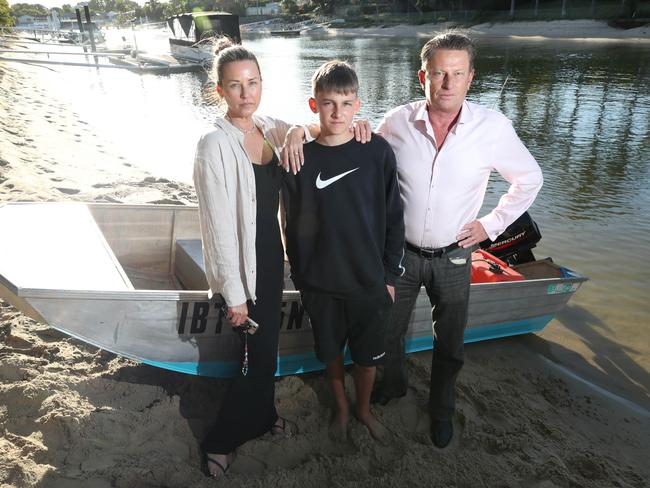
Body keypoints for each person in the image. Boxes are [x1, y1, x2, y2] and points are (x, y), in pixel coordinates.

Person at [193, 40, 370, 478]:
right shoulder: (214, 144)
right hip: (243, 270)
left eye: (252, 83)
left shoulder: (268, 127)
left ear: (261, 84)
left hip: (272, 259)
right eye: (235, 86)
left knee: (267, 353)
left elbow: (312, 129)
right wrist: (232, 295)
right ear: (220, 91)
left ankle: (263, 416)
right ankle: (222, 439)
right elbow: (215, 227)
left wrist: (299, 132)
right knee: (254, 355)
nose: (245, 93)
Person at [372, 32, 543, 449]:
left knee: (449, 340)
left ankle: (442, 409)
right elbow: (366, 171)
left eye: (457, 73)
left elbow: (529, 179)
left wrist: (491, 225)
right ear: (422, 77)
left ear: (470, 78)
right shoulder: (395, 123)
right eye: (438, 74)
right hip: (401, 256)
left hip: (455, 255)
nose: (447, 83)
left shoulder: (492, 127)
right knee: (386, 333)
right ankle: (393, 387)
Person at [282, 60, 405, 440]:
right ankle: (341, 408)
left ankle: (364, 409)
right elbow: (290, 225)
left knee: (367, 359)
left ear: (358, 104)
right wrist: (303, 279)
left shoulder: (377, 151)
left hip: (368, 282)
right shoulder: (298, 158)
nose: (338, 112)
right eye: (328, 103)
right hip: (320, 284)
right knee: (331, 355)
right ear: (313, 104)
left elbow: (394, 218)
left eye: (346, 103)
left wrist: (388, 276)